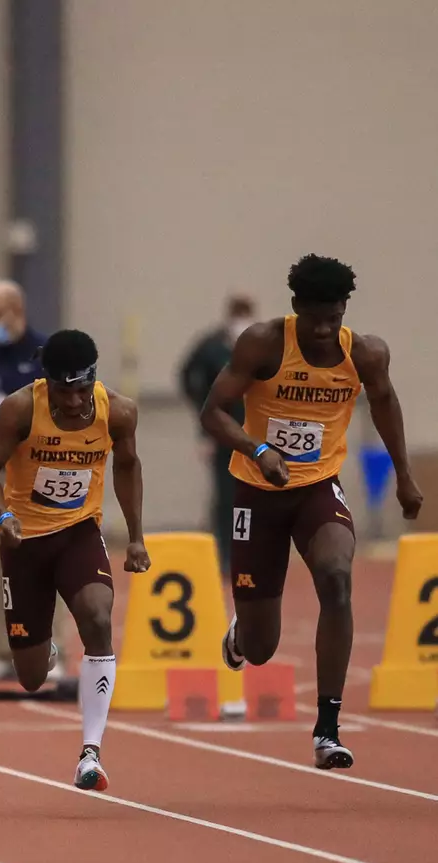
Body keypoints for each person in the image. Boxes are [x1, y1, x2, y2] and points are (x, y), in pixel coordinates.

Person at [201, 254, 422, 770]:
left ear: (346, 309)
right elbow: (212, 411)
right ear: (296, 306)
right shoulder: (264, 343)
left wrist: (404, 476)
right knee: (260, 647)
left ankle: (327, 727)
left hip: (319, 487)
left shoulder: (364, 353)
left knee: (337, 577)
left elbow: (386, 403)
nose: (325, 329)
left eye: (335, 317)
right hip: (258, 492)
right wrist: (257, 450)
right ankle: (242, 632)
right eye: (316, 317)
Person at [0, 329, 149, 791]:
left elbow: (128, 466)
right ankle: (41, 648)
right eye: (62, 390)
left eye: (81, 389)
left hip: (78, 533)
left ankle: (91, 753)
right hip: (24, 541)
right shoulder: (20, 408)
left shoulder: (119, 411)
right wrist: (3, 513)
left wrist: (136, 537)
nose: (73, 401)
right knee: (31, 678)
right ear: (46, 381)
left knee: (96, 614)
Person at [0, 279, 76, 687]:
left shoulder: (44, 352)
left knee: (46, 560)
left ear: (15, 310)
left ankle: (51, 645)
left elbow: (64, 403)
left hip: (37, 468)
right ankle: (5, 650)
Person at [178, 293, 257, 573]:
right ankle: (224, 553)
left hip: (254, 432)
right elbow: (188, 375)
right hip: (221, 430)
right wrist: (203, 418)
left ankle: (249, 552)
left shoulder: (260, 345)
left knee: (252, 495)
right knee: (225, 493)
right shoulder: (212, 346)